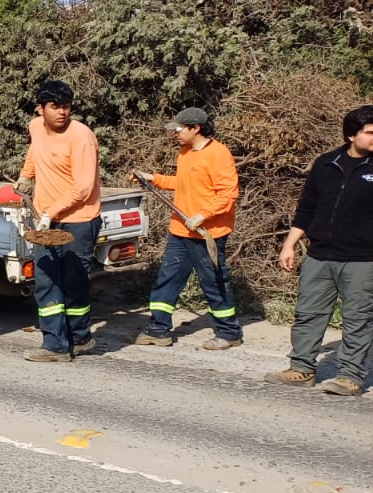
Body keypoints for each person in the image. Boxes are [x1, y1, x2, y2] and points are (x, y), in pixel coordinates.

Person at [266, 104, 373, 396]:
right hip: (319, 256)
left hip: (363, 261)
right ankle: (301, 369)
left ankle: (350, 376)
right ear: (352, 134)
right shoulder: (326, 164)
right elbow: (307, 209)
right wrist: (289, 244)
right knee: (308, 313)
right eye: (370, 133)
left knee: (358, 319)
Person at [132, 107, 242, 349]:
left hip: (207, 234)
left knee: (213, 282)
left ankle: (229, 332)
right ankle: (158, 330)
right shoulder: (186, 152)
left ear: (195, 128)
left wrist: (203, 215)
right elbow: (184, 184)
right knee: (167, 279)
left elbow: (228, 193)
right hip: (180, 231)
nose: (176, 134)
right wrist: (154, 179)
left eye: (180, 129)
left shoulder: (218, 154)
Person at [16, 80, 101, 362]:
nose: (62, 112)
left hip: (78, 220)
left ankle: (80, 337)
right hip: (46, 222)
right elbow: (34, 150)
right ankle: (55, 345)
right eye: (55, 107)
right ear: (41, 109)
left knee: (74, 283)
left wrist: (51, 212)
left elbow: (84, 189)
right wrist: (26, 176)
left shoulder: (81, 137)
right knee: (47, 281)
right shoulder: (35, 127)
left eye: (66, 107)